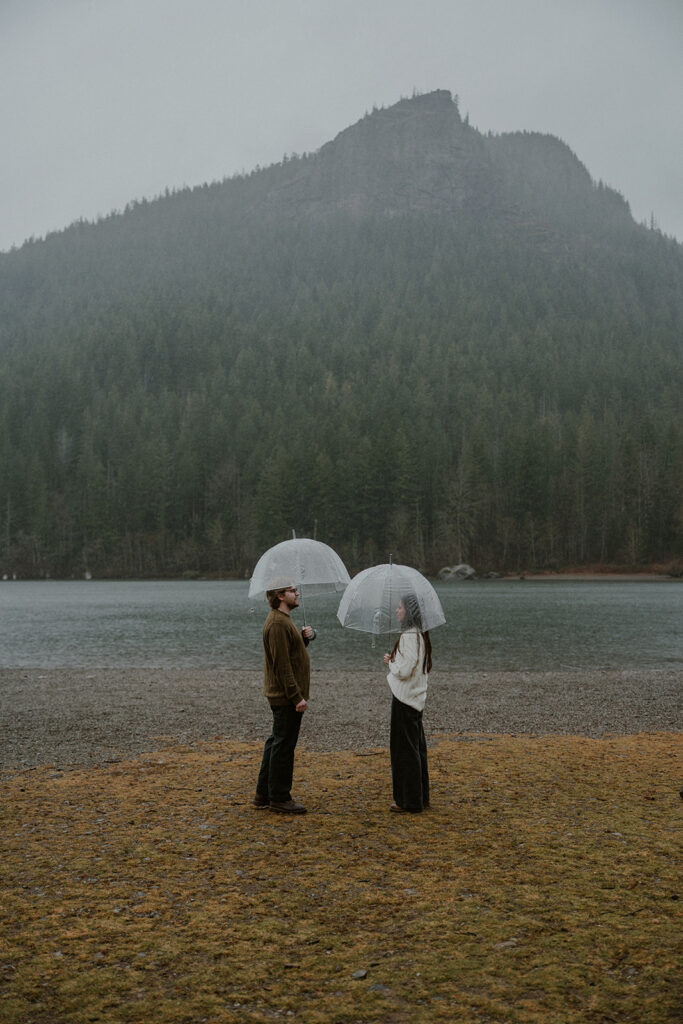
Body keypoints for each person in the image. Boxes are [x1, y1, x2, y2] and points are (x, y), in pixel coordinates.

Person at [254, 579, 315, 814]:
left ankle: (263, 794)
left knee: (276, 741)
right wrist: (296, 697)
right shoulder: (278, 623)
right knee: (284, 745)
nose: (297, 593)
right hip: (285, 696)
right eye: (292, 591)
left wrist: (303, 638)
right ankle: (279, 797)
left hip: (284, 695)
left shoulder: (284, 621)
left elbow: (291, 653)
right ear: (280, 596)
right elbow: (282, 665)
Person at [383, 593, 431, 813]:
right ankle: (420, 797)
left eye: (400, 607)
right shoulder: (420, 635)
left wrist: (391, 663)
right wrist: (394, 658)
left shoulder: (410, 636)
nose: (397, 611)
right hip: (415, 699)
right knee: (416, 749)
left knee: (405, 751)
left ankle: (410, 801)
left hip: (405, 699)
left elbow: (404, 669)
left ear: (408, 611)